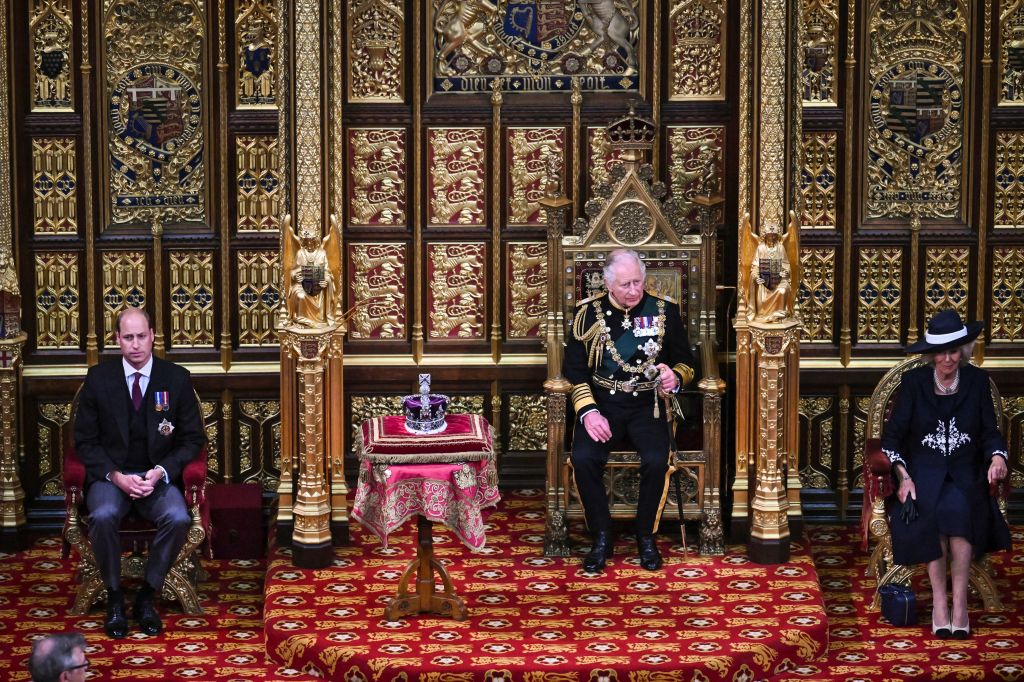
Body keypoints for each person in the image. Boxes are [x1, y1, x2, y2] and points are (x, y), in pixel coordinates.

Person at [73, 307, 205, 638]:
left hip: (155, 478)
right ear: (117, 340)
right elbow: (85, 443)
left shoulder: (175, 378)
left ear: (153, 337)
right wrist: (115, 476)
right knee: (102, 515)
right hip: (111, 478)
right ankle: (115, 595)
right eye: (128, 337)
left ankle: (147, 595)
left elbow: (193, 441)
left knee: (177, 518)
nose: (135, 345)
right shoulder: (98, 379)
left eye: (141, 336)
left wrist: (161, 471)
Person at [563, 249, 696, 572]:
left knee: (655, 460)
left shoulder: (665, 310)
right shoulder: (587, 315)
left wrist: (674, 377)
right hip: (603, 404)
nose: (634, 290)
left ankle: (645, 538)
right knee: (583, 458)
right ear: (608, 283)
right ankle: (602, 537)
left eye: (638, 282)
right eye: (625, 285)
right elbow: (575, 370)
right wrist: (588, 412)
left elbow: (687, 362)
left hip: (648, 404)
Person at [881, 309, 1011, 639]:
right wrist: (903, 476)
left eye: (954, 351)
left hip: (967, 472)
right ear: (931, 354)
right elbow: (892, 437)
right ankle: (941, 603)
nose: (948, 359)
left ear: (963, 351)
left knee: (960, 510)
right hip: (923, 472)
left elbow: (989, 432)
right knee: (932, 513)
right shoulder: (913, 383)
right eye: (941, 352)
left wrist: (997, 456)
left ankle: (961, 605)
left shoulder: (977, 382)